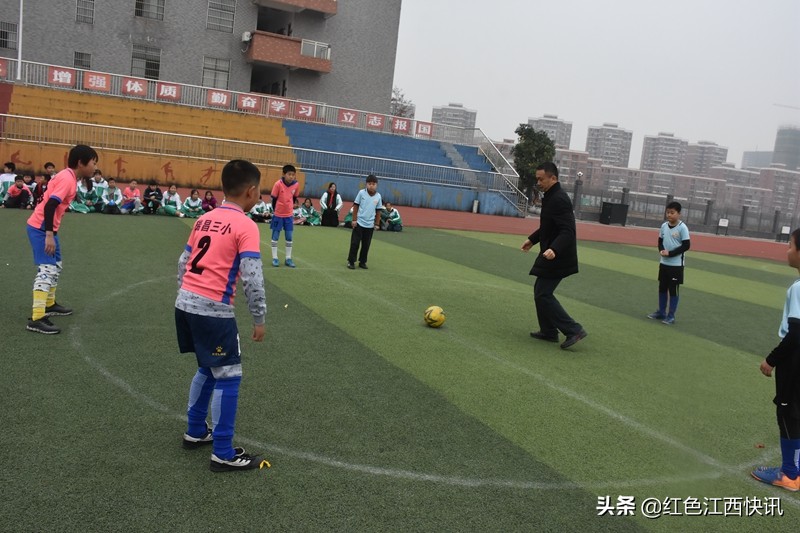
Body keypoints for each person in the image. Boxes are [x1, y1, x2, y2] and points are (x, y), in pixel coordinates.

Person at [175, 159, 265, 472]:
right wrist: (259, 318)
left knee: (208, 367)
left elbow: (182, 262)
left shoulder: (204, 218)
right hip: (212, 309)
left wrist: (187, 295)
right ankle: (223, 452)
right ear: (252, 192)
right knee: (229, 375)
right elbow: (252, 278)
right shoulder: (246, 225)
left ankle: (196, 430)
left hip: (185, 303)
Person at [25, 144, 98, 334]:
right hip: (41, 229)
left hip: (47, 229)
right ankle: (37, 317)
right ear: (81, 163)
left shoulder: (68, 176)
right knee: (47, 269)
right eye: (93, 163)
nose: (95, 167)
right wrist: (48, 234)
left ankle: (49, 304)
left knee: (56, 265)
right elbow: (50, 206)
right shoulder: (67, 179)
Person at [751, 228, 800, 492]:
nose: (787, 250)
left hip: (794, 361)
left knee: (787, 412)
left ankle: (790, 474)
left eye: (790, 245)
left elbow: (796, 334)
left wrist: (771, 359)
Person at [521, 162, 587, 350]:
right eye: (537, 179)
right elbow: (548, 225)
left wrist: (555, 249)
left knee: (543, 293)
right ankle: (549, 331)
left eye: (541, 179)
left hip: (558, 255)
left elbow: (568, 231)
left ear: (553, 178)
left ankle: (573, 330)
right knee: (540, 291)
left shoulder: (559, 199)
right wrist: (532, 240)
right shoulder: (551, 196)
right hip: (551, 252)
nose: (538, 182)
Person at [647, 201, 690, 325]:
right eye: (668, 212)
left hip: (676, 266)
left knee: (673, 290)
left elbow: (686, 245)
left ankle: (671, 316)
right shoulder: (664, 226)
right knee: (662, 288)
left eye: (672, 213)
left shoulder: (682, 227)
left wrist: (670, 254)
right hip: (664, 264)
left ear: (679, 214)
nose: (669, 215)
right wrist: (661, 250)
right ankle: (661, 312)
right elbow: (660, 241)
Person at [347, 174, 383, 270]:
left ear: (377, 185)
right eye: (369, 183)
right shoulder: (361, 193)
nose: (371, 185)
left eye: (374, 184)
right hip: (359, 222)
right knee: (355, 243)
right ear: (366, 184)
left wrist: (377, 224)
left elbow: (378, 211)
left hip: (370, 225)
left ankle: (362, 262)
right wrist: (354, 220)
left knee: (366, 245)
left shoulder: (378, 196)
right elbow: (356, 206)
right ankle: (351, 261)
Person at [269, 164, 299, 268]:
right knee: (275, 237)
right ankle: (275, 258)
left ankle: (288, 258)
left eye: (293, 175)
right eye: (289, 174)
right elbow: (273, 199)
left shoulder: (296, 185)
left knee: (289, 237)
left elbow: (294, 198)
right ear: (283, 174)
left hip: (289, 216)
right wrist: (276, 211)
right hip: (278, 215)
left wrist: (290, 208)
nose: (291, 177)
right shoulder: (278, 184)